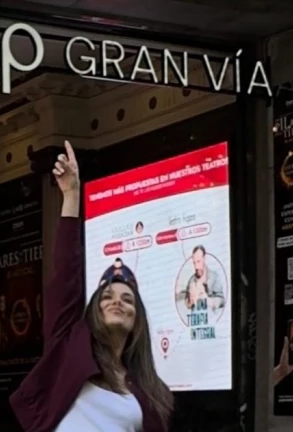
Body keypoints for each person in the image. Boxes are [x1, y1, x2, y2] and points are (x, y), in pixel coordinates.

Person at [10, 141, 173, 432]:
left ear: (137, 320)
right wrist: (72, 195)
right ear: (94, 311)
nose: (117, 301)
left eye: (127, 299)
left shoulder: (149, 391)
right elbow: (65, 276)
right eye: (107, 296)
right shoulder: (69, 348)